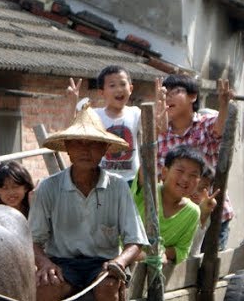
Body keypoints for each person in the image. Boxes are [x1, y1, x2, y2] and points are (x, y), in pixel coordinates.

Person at [30, 104, 148, 301]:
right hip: (63, 265)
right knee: (44, 290)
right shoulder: (49, 188)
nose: (85, 150)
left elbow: (136, 242)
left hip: (103, 264)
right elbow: (33, 240)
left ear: (104, 150)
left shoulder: (119, 188)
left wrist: (119, 262)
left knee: (108, 287)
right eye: (79, 143)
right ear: (68, 148)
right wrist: (44, 264)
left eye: (93, 144)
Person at [155, 73, 235, 250]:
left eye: (174, 92)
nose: (168, 98)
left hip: (212, 213)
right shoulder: (159, 132)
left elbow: (219, 129)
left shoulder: (204, 125)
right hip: (176, 217)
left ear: (193, 96)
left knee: (206, 272)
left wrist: (223, 104)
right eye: (164, 94)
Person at [69, 65, 143, 188]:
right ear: (101, 92)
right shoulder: (94, 115)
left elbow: (157, 130)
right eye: (112, 85)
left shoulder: (136, 113)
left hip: (131, 180)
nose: (119, 89)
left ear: (130, 88)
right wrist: (72, 102)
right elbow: (71, 132)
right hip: (101, 180)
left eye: (122, 84)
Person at [132, 145, 203, 264]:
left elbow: (182, 250)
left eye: (193, 175)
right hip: (123, 257)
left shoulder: (193, 212)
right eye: (180, 171)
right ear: (165, 172)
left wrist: (162, 253)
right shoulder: (148, 191)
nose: (185, 179)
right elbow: (144, 169)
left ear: (198, 182)